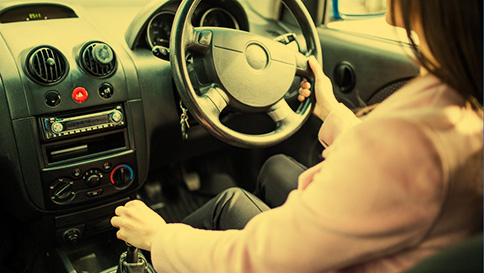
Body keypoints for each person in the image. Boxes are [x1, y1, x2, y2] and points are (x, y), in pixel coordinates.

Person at [111, 0, 483, 272]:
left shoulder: (412, 138)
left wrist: (159, 238)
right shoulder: (459, 97)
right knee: (276, 168)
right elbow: (390, 165)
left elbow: (258, 260)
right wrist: (330, 110)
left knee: (230, 202)